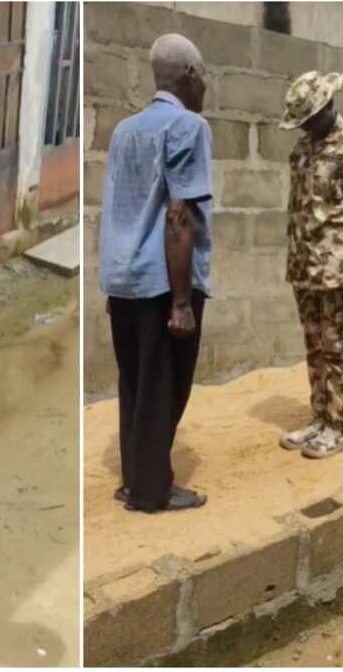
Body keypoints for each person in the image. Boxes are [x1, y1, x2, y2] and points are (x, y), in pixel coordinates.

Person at [99, 33, 213, 513]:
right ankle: (151, 491)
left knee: (135, 382)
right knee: (165, 386)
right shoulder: (189, 127)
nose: (206, 83)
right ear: (188, 75)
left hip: (124, 280)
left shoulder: (124, 130)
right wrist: (183, 302)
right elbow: (178, 216)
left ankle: (132, 480)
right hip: (165, 282)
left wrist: (111, 282)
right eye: (203, 73)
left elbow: (115, 207)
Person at [277, 70, 343, 459]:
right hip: (304, 266)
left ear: (326, 107)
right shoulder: (302, 150)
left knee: (337, 346)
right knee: (314, 345)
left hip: (340, 267)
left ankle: (338, 425)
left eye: (307, 117)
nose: (303, 126)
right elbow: (296, 209)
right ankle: (318, 418)